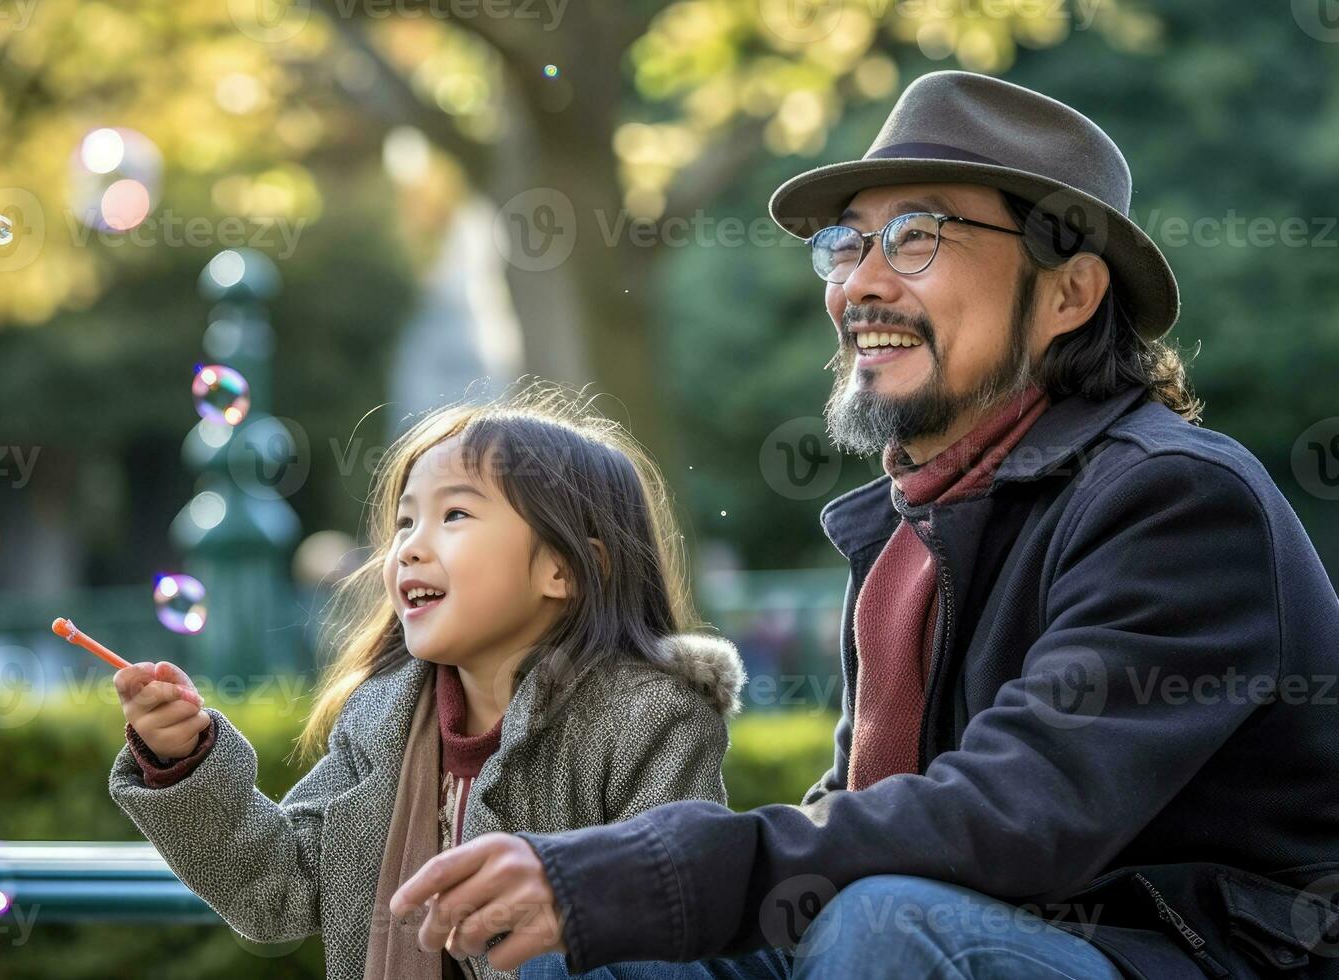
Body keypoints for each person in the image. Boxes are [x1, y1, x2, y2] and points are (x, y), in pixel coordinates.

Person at [387, 71, 1339, 980]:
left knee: (882, 920)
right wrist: (605, 886)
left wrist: (661, 866)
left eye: (916, 237)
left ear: (1068, 294)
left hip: (1194, 953)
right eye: (847, 245)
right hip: (981, 937)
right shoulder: (918, 525)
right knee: (592, 939)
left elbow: (1015, 818)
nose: (859, 287)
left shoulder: (1173, 499)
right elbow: (870, 815)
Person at [108, 383, 775, 980]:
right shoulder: (380, 723)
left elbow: (672, 914)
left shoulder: (646, 717)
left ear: (565, 571)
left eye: (454, 515)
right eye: (404, 522)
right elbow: (276, 890)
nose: (410, 548)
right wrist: (182, 762)